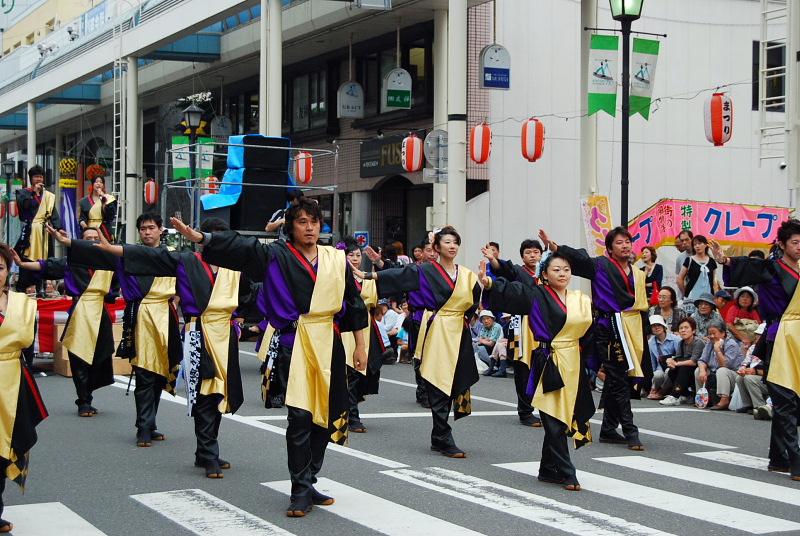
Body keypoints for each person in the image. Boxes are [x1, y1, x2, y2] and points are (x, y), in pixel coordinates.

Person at [175, 198, 368, 517]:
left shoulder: (336, 259)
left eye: (314, 222)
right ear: (291, 227)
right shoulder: (277, 254)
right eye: (303, 222)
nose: (309, 227)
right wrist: (202, 239)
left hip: (329, 341)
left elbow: (354, 303)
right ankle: (300, 489)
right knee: (301, 417)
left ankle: (309, 477)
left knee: (328, 415)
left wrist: (360, 346)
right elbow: (245, 248)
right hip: (295, 340)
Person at [95, 217, 251, 479]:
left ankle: (205, 451)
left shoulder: (235, 269)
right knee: (204, 393)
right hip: (197, 331)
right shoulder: (186, 261)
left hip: (225, 335)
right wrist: (114, 250)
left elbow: (250, 294)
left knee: (220, 394)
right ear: (201, 241)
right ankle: (207, 452)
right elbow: (150, 257)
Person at [59, 213, 182, 448]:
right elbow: (97, 251)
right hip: (141, 319)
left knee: (160, 374)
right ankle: (143, 427)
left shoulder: (172, 257)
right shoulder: (125, 255)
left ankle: (151, 423)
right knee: (144, 373)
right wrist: (70, 243)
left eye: (151, 228)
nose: (147, 232)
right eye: (143, 228)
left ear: (160, 230)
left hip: (166, 318)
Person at [359, 226, 480, 458]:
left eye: (455, 242)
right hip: (436, 329)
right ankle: (443, 436)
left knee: (455, 379)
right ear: (436, 247)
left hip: (458, 331)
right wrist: (371, 274)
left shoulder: (466, 274)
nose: (452, 246)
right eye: (447, 242)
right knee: (436, 380)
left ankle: (439, 435)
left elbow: (474, 301)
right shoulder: (425, 270)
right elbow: (399, 276)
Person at [480, 251, 594, 491]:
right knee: (553, 417)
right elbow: (513, 292)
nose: (562, 273)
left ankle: (547, 469)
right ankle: (566, 471)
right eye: (556, 269)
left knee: (564, 415)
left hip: (573, 360)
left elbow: (589, 333)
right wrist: (490, 283)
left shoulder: (580, 298)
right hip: (549, 359)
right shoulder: (536, 294)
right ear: (544, 274)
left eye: (566, 269)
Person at [540, 226, 649, 451]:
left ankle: (609, 428)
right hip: (609, 327)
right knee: (618, 376)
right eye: (619, 242)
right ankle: (630, 430)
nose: (625, 245)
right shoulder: (600, 265)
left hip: (633, 327)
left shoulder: (638, 273)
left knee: (619, 379)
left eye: (627, 241)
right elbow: (579, 260)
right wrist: (555, 247)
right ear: (610, 248)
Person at [712, 222, 800, 478]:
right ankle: (795, 459)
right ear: (782, 244)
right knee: (785, 398)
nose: (799, 247)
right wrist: (724, 259)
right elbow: (745, 266)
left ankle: (777, 457)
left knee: (794, 400)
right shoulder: (772, 268)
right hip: (780, 335)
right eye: (794, 242)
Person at [13, 227, 118, 418]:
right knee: (79, 358)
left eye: (95, 238)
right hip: (80, 312)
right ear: (80, 241)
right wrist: (21, 263)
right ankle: (83, 401)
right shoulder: (73, 262)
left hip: (100, 313)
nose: (91, 242)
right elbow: (45, 266)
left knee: (101, 355)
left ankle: (89, 392)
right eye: (87, 238)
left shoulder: (110, 261)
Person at [0, 243, 48, 534]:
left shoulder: (23, 304)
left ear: (8, 271)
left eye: (1, 267)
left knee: (5, 448)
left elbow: (27, 349)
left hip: (12, 381)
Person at [483, 238, 545, 427]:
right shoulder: (518, 271)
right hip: (522, 326)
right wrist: (493, 260)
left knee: (543, 369)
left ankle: (544, 409)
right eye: (528, 252)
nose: (532, 255)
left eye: (536, 252)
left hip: (543, 326)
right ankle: (525, 412)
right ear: (522, 256)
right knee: (523, 370)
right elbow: (504, 270)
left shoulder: (547, 271)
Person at [339, 237, 382, 434]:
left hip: (366, 326)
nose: (355, 258)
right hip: (346, 325)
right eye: (351, 255)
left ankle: (350, 411)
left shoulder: (367, 277)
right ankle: (351, 415)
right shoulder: (337, 275)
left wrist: (379, 264)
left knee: (362, 372)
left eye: (357, 255)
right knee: (348, 373)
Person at [15, 165, 61, 297]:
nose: (38, 179)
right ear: (31, 179)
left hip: (44, 232)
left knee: (45, 260)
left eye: (40, 176)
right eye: (36, 177)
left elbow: (53, 213)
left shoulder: (48, 196)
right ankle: (22, 289)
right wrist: (34, 193)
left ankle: (42, 286)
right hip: (30, 232)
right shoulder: (23, 193)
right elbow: (25, 206)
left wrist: (59, 228)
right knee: (27, 259)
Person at [695, 319, 743, 411]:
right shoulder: (710, 343)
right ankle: (703, 398)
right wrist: (702, 370)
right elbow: (702, 360)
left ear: (723, 333)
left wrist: (717, 350)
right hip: (715, 374)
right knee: (698, 370)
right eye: (710, 334)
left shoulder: (731, 344)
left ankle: (724, 399)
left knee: (722, 370)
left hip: (732, 376)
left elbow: (725, 365)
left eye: (714, 333)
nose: (712, 336)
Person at [660, 317, 705, 406]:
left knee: (683, 368)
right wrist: (671, 361)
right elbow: (678, 357)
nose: (683, 330)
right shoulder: (681, 342)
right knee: (672, 370)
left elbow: (693, 361)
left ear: (693, 331)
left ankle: (674, 395)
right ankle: (686, 395)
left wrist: (676, 363)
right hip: (687, 368)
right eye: (681, 328)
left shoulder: (698, 342)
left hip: (699, 369)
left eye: (686, 327)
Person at [735, 322, 769, 415]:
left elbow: (772, 371)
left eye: (760, 336)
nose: (758, 338)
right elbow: (746, 361)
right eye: (757, 335)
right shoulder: (753, 347)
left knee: (749, 378)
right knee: (740, 378)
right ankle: (748, 404)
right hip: (758, 377)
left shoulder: (772, 349)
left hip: (769, 381)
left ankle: (759, 406)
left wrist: (756, 371)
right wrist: (743, 368)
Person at [646, 315, 681, 400]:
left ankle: (661, 391)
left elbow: (680, 355)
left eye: (659, 325)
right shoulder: (650, 342)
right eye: (654, 326)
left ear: (663, 326)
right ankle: (654, 389)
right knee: (657, 375)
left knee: (668, 371)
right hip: (660, 367)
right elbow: (652, 361)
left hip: (674, 366)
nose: (657, 328)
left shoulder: (676, 339)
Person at [677, 235, 718, 305]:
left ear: (705, 245)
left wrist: (716, 296)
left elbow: (714, 281)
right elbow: (679, 279)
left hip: (708, 297)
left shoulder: (712, 261)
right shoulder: (689, 260)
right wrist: (685, 292)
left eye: (699, 243)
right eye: (695, 244)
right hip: (692, 297)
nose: (697, 246)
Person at [78, 176, 117, 241]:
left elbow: (111, 216)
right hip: (89, 228)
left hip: (104, 229)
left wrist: (103, 197)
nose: (98, 184)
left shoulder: (109, 198)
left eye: (101, 182)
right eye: (96, 182)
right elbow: (82, 217)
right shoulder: (84, 201)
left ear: (103, 185)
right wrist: (83, 224)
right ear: (92, 185)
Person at [474, 310, 506, 377]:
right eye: (483, 319)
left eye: (488, 318)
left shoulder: (496, 326)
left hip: (497, 348)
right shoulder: (484, 327)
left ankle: (492, 366)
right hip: (491, 348)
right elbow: (479, 340)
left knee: (481, 348)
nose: (486, 321)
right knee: (475, 346)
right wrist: (484, 340)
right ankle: (489, 367)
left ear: (492, 319)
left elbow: (491, 343)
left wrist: (482, 340)